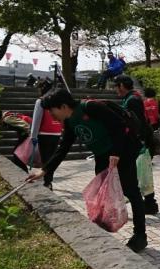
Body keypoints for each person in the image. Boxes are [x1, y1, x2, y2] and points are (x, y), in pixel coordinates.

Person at [25, 89, 148, 252]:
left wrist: (116, 153)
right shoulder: (70, 122)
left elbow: (119, 126)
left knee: (131, 191)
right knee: (102, 191)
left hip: (122, 152)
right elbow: (63, 148)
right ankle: (104, 225)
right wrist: (44, 170)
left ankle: (140, 235)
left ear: (62, 106)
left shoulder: (90, 107)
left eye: (52, 111)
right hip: (102, 155)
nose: (51, 116)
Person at [114, 75, 159, 215]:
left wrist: (137, 142)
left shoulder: (132, 100)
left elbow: (136, 123)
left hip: (138, 143)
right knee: (143, 174)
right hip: (140, 142)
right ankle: (150, 205)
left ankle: (141, 205)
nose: (115, 89)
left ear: (121, 85)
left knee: (136, 175)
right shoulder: (132, 98)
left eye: (115, 86)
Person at [29, 97, 64, 189]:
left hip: (44, 133)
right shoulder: (59, 100)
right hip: (56, 132)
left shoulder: (41, 101)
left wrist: (33, 135)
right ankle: (49, 181)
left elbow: (37, 119)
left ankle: (47, 182)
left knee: (46, 159)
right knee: (51, 159)